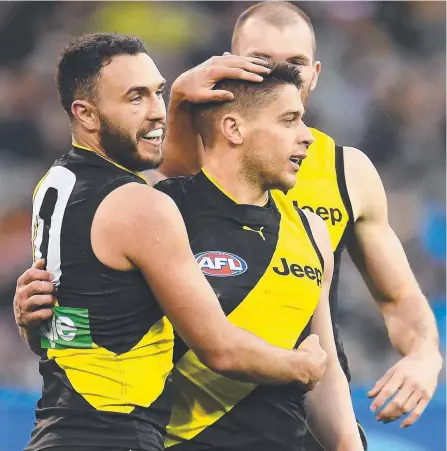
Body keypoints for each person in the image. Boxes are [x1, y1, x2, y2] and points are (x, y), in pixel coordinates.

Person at [16, 33, 330, 451]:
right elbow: (220, 349)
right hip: (116, 435)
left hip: (57, 430)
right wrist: (302, 367)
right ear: (86, 115)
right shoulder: (141, 205)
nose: (156, 113)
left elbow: (72, 329)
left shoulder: (54, 186)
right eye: (135, 98)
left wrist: (29, 325)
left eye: (158, 93)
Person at [158, 0, 442, 446]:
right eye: (259, 62)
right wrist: (177, 102)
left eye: (294, 63)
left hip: (305, 406)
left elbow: (398, 297)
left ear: (314, 75)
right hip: (193, 416)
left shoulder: (346, 173)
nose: (278, 74)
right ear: (227, 64)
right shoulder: (194, 159)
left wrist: (425, 355)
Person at [159, 62, 364, 451]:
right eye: (289, 120)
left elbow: (324, 368)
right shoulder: (165, 211)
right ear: (234, 128)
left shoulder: (310, 230)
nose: (307, 138)